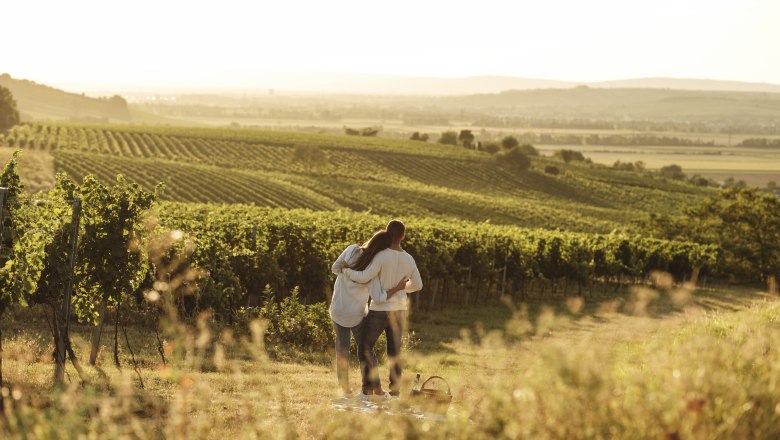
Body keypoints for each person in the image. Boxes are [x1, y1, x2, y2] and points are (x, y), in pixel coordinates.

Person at [342, 220, 423, 398]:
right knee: (395, 351)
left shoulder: (381, 256)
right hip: (400, 310)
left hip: (379, 309)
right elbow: (418, 284)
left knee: (365, 346)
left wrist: (346, 271)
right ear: (403, 236)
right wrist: (402, 287)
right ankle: (394, 391)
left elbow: (365, 277)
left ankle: (368, 388)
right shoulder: (409, 259)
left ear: (387, 233)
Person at [330, 231, 408, 397]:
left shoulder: (351, 250)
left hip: (338, 310)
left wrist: (346, 271)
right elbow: (379, 298)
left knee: (342, 351)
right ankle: (377, 388)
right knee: (366, 351)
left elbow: (334, 268)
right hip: (357, 315)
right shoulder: (373, 270)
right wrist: (398, 288)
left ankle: (344, 389)